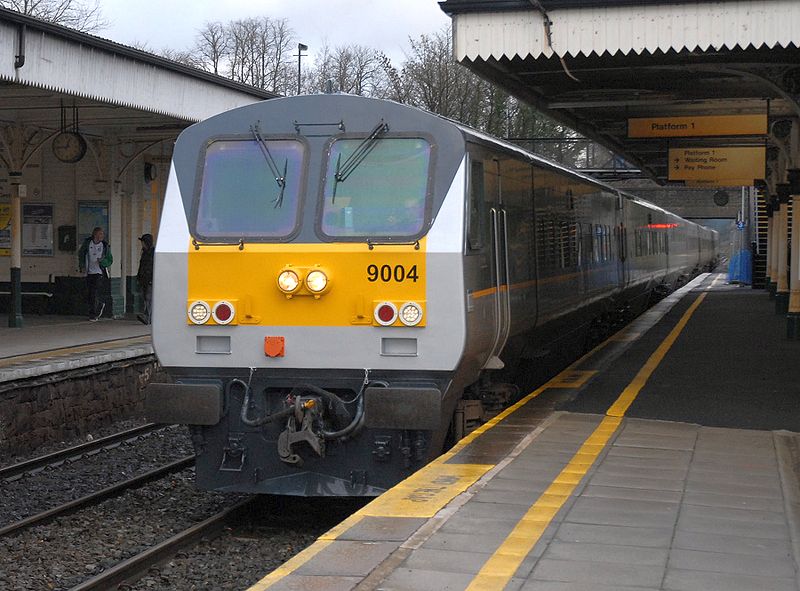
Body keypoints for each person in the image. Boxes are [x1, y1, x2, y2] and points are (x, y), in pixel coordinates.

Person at [78, 227, 112, 321]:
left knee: (94, 292)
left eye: (102, 234)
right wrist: (82, 265)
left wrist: (103, 261)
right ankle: (98, 305)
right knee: (89, 293)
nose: (102, 236)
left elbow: (110, 260)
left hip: (99, 272)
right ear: (95, 235)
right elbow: (81, 253)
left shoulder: (104, 246)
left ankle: (93, 314)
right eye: (100, 234)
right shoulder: (88, 243)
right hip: (89, 272)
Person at [136, 233, 155, 325]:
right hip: (144, 279)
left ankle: (147, 316)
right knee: (146, 298)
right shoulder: (144, 252)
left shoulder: (152, 253)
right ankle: (148, 316)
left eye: (142, 242)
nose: (141, 244)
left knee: (149, 298)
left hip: (150, 279)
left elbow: (151, 267)